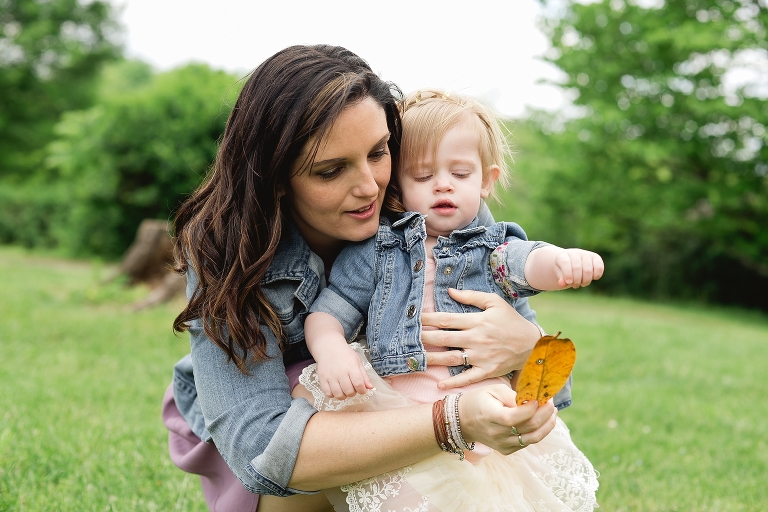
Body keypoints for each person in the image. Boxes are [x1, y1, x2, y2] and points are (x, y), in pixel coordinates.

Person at [164, 45, 566, 512]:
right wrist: (452, 420)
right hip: (293, 437)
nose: (370, 186)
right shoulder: (226, 249)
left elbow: (555, 384)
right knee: (319, 382)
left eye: (378, 153)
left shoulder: (429, 198)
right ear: (276, 178)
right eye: (331, 170)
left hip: (415, 400)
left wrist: (527, 346)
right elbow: (262, 447)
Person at [298, 89, 601, 511]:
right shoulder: (380, 250)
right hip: (398, 414)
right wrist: (332, 351)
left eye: (460, 173)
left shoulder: (492, 249)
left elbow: (529, 262)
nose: (443, 184)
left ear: (486, 181)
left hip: (485, 417)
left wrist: (563, 261)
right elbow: (329, 312)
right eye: (423, 176)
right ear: (398, 187)